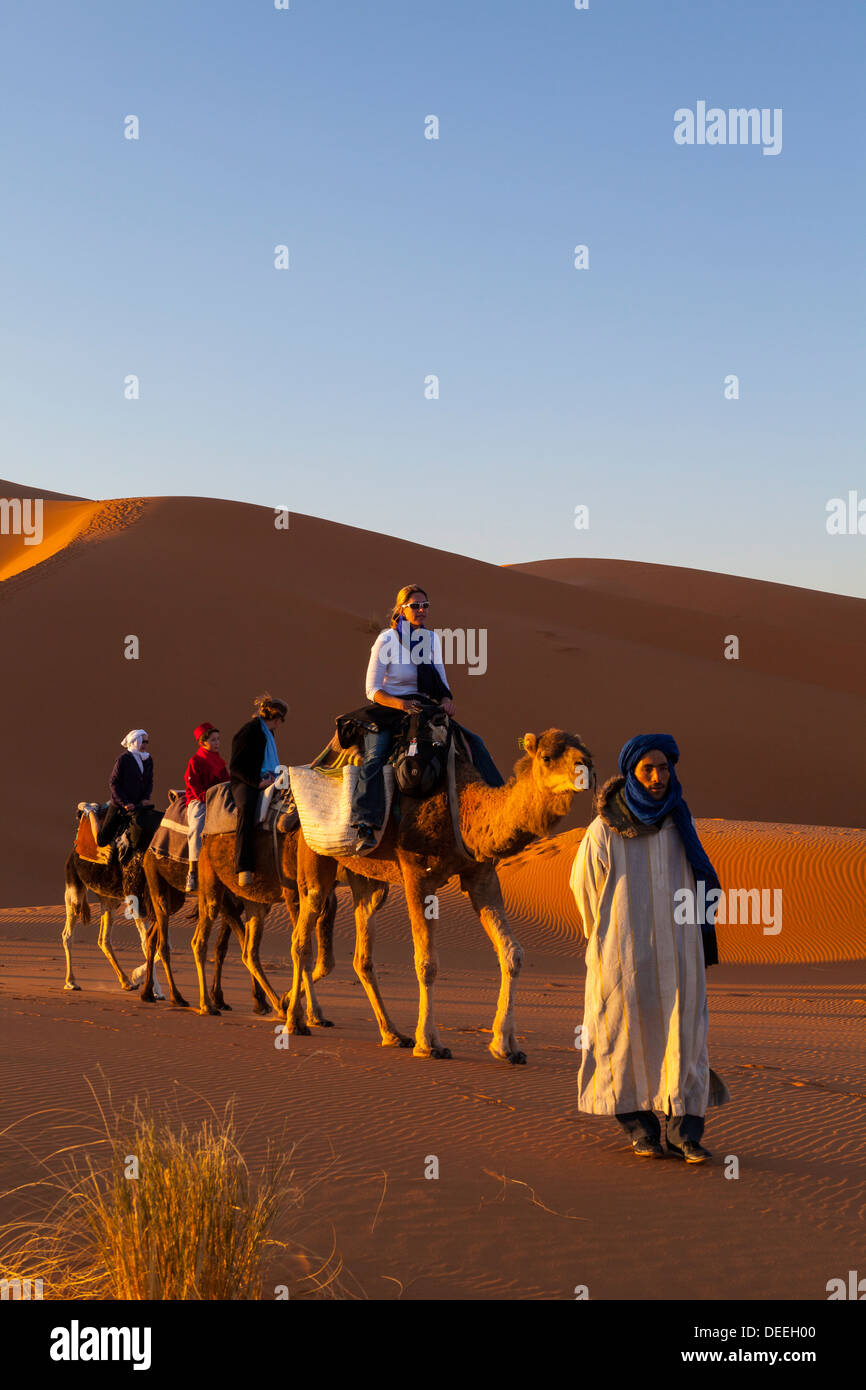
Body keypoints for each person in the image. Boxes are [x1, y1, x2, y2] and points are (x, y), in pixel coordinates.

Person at [569, 734, 729, 1164]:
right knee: (623, 1038)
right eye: (648, 769)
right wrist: (605, 938)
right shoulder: (605, 829)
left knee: (686, 1038)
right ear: (631, 773)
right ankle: (641, 1131)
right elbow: (583, 888)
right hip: (623, 953)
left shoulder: (681, 822)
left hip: (680, 953)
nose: (658, 778)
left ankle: (684, 1136)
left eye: (664, 768)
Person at [350, 583, 502, 853]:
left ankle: (500, 802)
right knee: (375, 758)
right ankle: (365, 824)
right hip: (390, 708)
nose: (421, 610)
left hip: (424, 709)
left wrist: (446, 701)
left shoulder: (430, 640)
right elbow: (371, 689)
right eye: (415, 606)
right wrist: (401, 704)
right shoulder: (387, 639)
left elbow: (441, 681)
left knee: (473, 743)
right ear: (401, 609)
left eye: (425, 606)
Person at [229, 693, 288, 886]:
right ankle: (243, 867)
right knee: (246, 809)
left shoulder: (268, 733)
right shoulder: (249, 731)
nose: (282, 723)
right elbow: (236, 766)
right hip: (245, 782)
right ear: (276, 718)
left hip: (268, 777)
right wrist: (257, 782)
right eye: (282, 719)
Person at [183, 722, 229, 892]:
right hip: (199, 800)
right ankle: (192, 871)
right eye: (213, 740)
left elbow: (226, 782)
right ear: (203, 742)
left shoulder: (220, 760)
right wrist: (207, 799)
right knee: (197, 826)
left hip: (218, 798)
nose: (217, 743)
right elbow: (194, 787)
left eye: (218, 739)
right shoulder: (195, 761)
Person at [92, 729, 154, 850]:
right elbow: (113, 783)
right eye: (143, 741)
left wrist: (146, 798)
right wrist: (124, 802)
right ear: (135, 741)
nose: (145, 745)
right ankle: (91, 812)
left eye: (147, 742)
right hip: (121, 804)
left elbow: (149, 781)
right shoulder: (123, 759)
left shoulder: (148, 759)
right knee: (101, 840)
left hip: (139, 804)